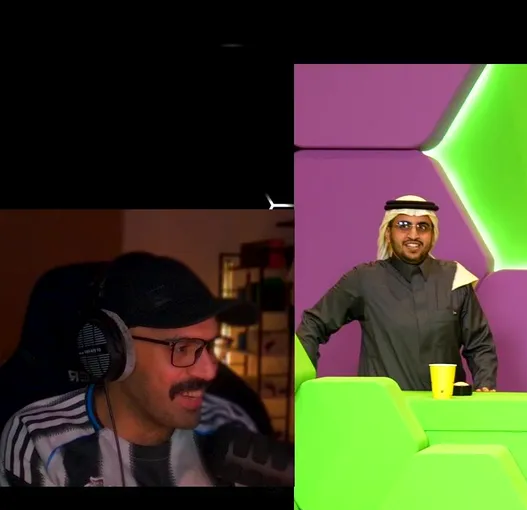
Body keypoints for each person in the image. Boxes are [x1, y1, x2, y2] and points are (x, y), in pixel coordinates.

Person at [1, 252, 266, 487]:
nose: (209, 372)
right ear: (114, 350)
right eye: (182, 348)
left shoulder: (228, 424)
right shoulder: (41, 441)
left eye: (211, 346)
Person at [297, 195, 498, 393]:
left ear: (433, 234)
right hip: (383, 408)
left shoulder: (455, 278)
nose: (413, 235)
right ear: (388, 232)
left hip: (444, 407)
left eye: (423, 227)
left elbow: (479, 344)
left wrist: (485, 385)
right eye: (403, 225)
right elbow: (313, 324)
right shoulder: (364, 279)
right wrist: (300, 380)